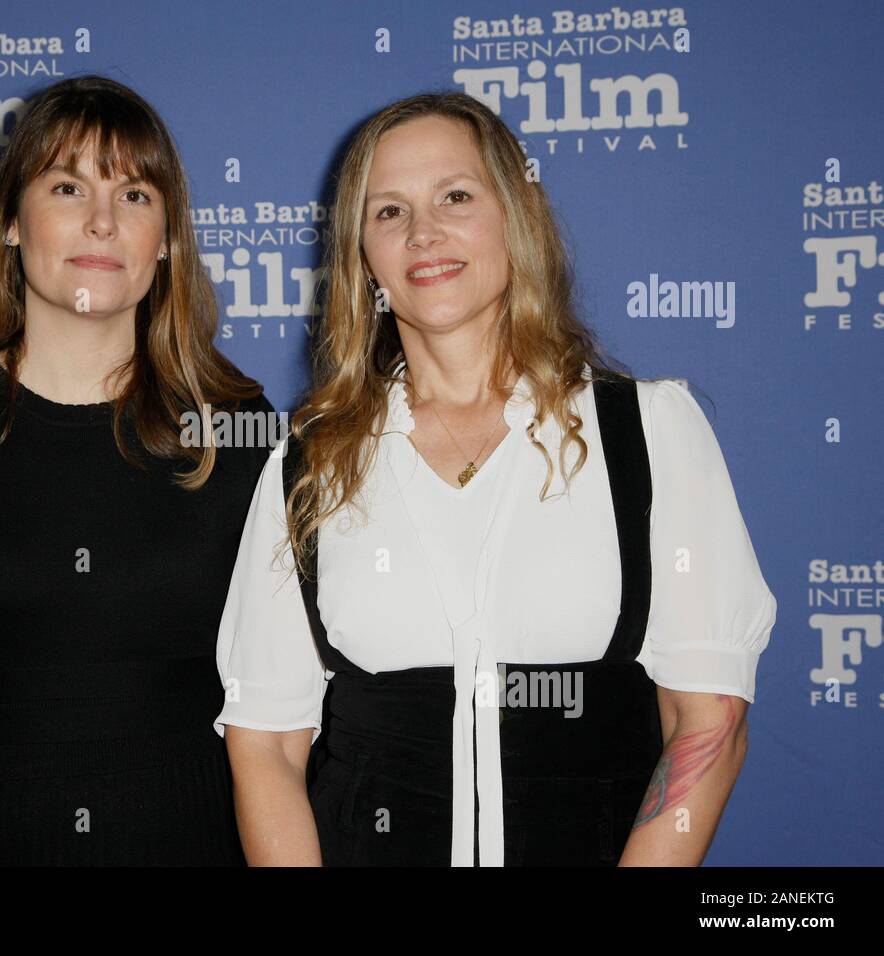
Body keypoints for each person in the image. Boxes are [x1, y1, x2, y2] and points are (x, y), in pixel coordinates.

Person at [214, 91, 777, 866]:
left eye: (456, 196)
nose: (423, 233)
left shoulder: (649, 434)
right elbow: (268, 745)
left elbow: (707, 724)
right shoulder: (308, 465)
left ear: (514, 218)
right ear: (362, 257)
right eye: (388, 212)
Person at [0, 75, 275, 865]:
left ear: (167, 238)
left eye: (135, 195)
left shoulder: (241, 437)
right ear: (9, 223)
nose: (103, 220)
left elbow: (292, 725)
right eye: (68, 186)